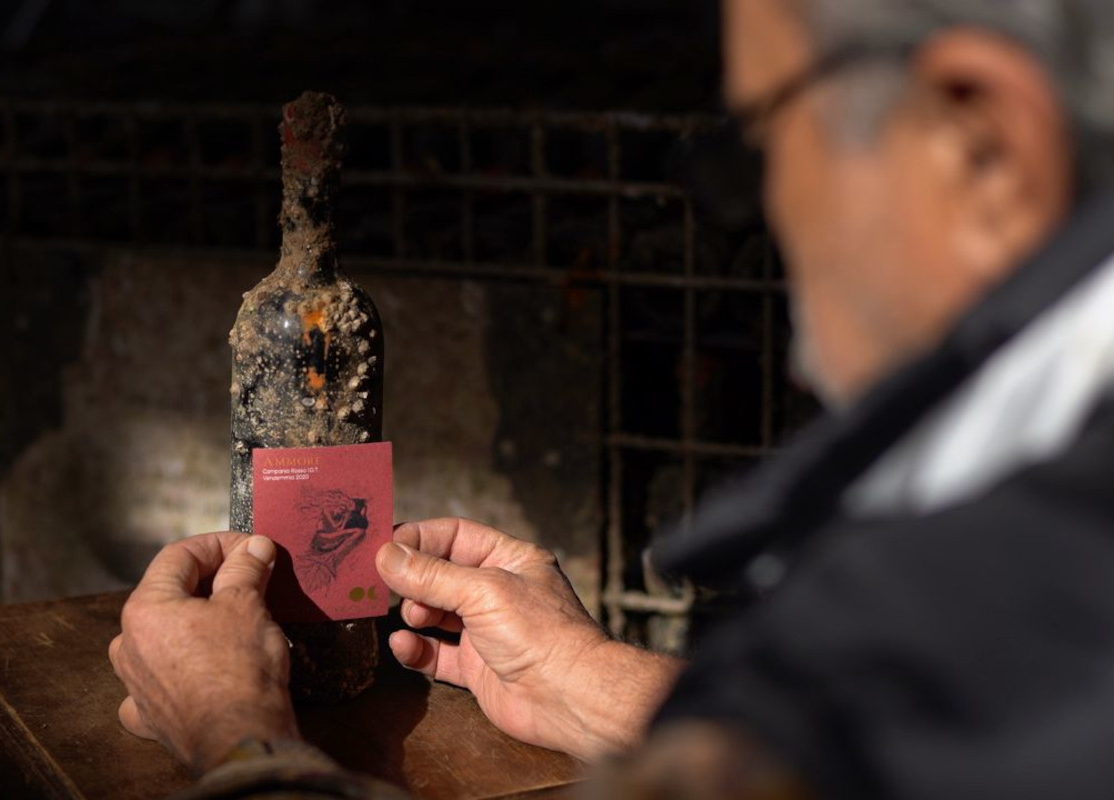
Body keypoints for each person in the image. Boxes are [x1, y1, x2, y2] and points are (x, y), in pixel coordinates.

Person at [109, 0, 1114, 797]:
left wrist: (236, 735)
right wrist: (599, 680)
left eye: (756, 148)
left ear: (982, 146)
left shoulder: (956, 614)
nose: (759, 214)